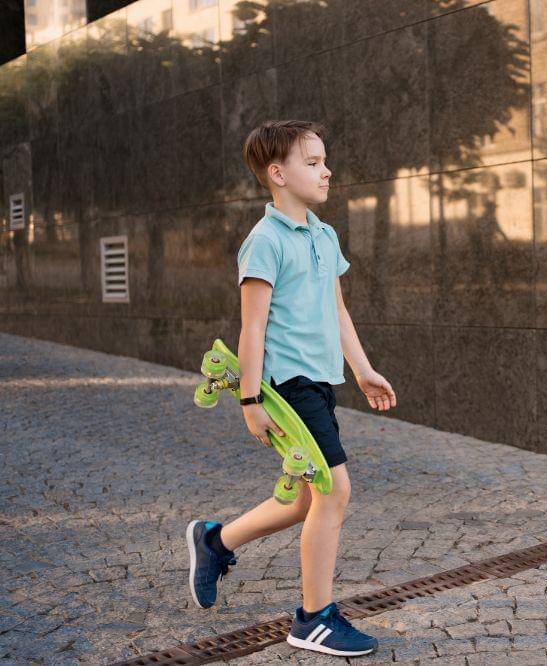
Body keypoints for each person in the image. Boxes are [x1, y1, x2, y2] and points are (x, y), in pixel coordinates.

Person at [185, 119, 396, 658]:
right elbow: (251, 327)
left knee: (307, 498)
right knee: (334, 489)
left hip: (323, 380)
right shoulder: (264, 242)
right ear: (277, 174)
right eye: (312, 162)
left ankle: (215, 541)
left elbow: (337, 309)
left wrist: (363, 369)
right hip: (288, 385)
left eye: (325, 161)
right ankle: (313, 619)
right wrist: (251, 400)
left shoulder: (324, 234)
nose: (326, 172)